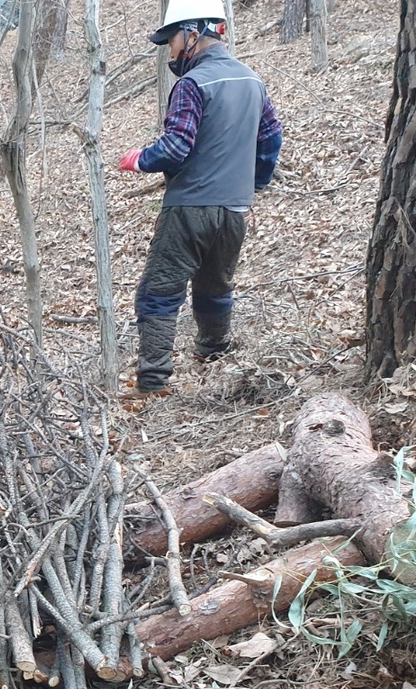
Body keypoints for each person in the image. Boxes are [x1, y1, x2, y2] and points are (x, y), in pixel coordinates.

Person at [118, 0, 283, 394]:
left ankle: (153, 381)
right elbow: (271, 139)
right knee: (215, 285)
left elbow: (176, 146)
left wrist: (140, 160)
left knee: (158, 291)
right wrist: (253, 184)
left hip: (189, 209)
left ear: (194, 32)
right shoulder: (253, 81)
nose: (170, 50)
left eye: (172, 39)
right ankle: (215, 359)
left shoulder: (192, 85)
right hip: (234, 210)